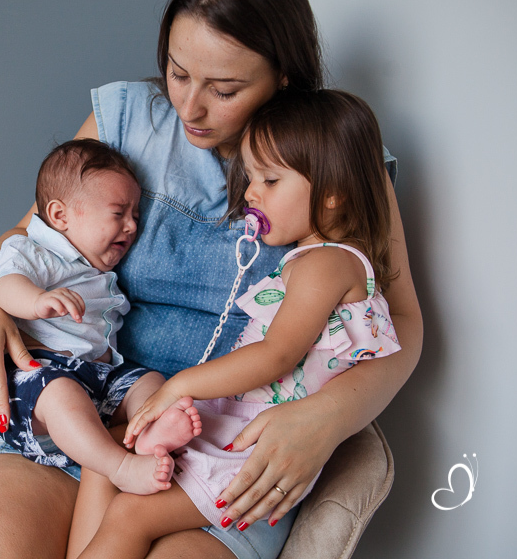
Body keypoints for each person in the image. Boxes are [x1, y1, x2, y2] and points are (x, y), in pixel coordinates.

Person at [0, 0, 422, 558]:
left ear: (285, 78)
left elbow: (399, 322)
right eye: (177, 73)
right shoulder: (124, 119)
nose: (189, 109)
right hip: (91, 407)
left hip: (228, 447)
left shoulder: (336, 159)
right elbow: (31, 240)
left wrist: (324, 421)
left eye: (224, 91)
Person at [75, 89, 402, 558]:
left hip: (253, 447)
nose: (250, 193)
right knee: (106, 456)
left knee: (130, 514)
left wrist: (178, 386)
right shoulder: (311, 259)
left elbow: (277, 356)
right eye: (252, 177)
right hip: (235, 423)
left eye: (269, 180)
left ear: (332, 196)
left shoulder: (325, 265)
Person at [0, 138, 202, 495]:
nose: (132, 226)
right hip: (38, 382)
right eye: (119, 213)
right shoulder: (33, 250)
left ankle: (151, 431)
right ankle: (120, 466)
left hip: (99, 380)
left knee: (149, 383)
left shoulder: (99, 272)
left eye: (135, 216)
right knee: (61, 395)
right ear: (60, 216)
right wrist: (38, 300)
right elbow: (5, 286)